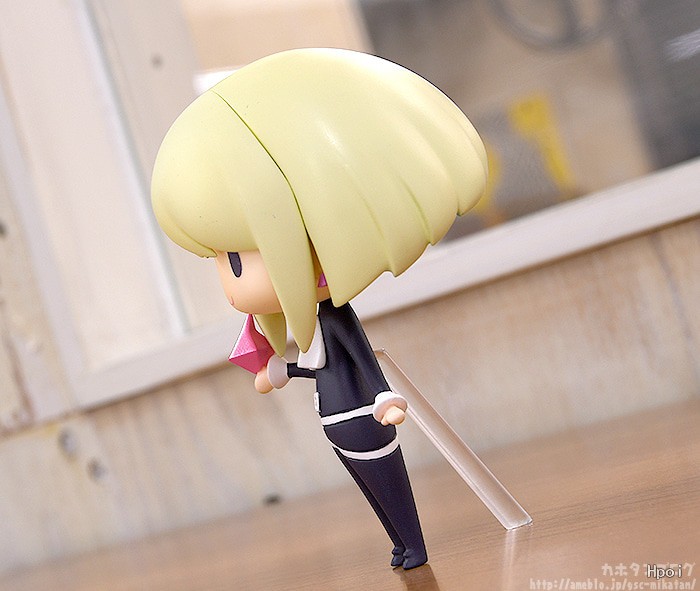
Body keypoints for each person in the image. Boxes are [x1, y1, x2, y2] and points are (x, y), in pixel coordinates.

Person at [151, 48, 487, 569]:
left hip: (362, 417)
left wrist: (385, 398)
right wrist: (280, 371)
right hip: (335, 422)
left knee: (386, 482)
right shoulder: (307, 324)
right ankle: (401, 544)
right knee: (369, 487)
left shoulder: (334, 317)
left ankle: (413, 543)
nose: (230, 281)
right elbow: (317, 367)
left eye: (235, 259)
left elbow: (361, 361)